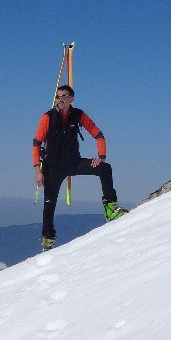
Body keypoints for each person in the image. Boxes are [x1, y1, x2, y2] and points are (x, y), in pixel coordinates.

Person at [31, 85, 127, 251]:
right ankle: (48, 239)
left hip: (73, 163)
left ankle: (111, 209)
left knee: (105, 168)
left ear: (71, 99)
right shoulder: (48, 117)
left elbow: (98, 134)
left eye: (64, 96)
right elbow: (36, 143)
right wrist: (38, 171)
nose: (60, 99)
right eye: (58, 96)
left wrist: (101, 157)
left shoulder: (78, 115)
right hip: (52, 167)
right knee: (49, 204)